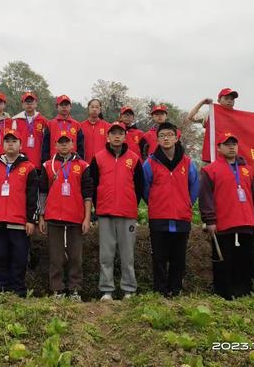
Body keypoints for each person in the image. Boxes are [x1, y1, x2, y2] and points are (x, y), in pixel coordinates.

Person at [199, 133, 254, 299]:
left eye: (233, 144)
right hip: (223, 224)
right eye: (226, 144)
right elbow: (205, 197)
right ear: (219, 147)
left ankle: (244, 291)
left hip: (246, 223)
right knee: (224, 260)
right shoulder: (210, 170)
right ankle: (224, 293)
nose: (231, 147)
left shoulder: (247, 170)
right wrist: (210, 220)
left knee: (244, 259)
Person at [143, 122, 199, 297]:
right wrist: (155, 203)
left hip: (181, 217)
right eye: (162, 135)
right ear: (157, 139)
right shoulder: (150, 163)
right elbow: (145, 188)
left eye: (169, 135)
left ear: (176, 137)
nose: (166, 138)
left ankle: (176, 289)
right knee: (159, 257)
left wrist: (185, 203)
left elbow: (195, 186)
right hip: (159, 217)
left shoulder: (188, 163)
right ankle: (160, 290)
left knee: (178, 257)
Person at [89, 122, 144, 301]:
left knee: (127, 255)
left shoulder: (134, 159)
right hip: (105, 213)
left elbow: (140, 186)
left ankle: (129, 289)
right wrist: (98, 207)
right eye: (113, 133)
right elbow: (93, 184)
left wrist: (130, 204)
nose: (117, 136)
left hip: (127, 214)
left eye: (120, 133)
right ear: (108, 136)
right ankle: (107, 290)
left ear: (125, 136)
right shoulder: (98, 158)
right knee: (106, 254)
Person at [0, 129, 38, 297]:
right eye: (7, 141)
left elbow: (32, 197)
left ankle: (18, 292)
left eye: (14, 141)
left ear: (20, 145)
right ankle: (1, 291)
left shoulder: (29, 168)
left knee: (19, 259)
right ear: (3, 144)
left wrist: (31, 220)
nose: (10, 144)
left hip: (19, 222)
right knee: (0, 257)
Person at [38, 131, 92, 300]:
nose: (63, 145)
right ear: (55, 145)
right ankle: (57, 289)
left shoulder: (83, 166)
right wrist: (41, 216)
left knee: (76, 256)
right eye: (60, 142)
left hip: (76, 217)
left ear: (72, 144)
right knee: (56, 256)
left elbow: (87, 194)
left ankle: (75, 289)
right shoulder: (48, 165)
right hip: (53, 216)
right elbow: (42, 193)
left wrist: (87, 218)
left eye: (66, 142)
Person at [187, 88, 238, 163]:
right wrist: (202, 103)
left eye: (232, 99)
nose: (229, 101)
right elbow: (191, 117)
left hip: (233, 157)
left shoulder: (237, 117)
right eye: (226, 98)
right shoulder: (211, 113)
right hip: (215, 155)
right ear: (219, 100)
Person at [11, 92, 48, 171]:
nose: (29, 104)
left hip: (37, 162)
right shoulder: (16, 120)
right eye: (27, 102)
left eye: (31, 102)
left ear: (36, 104)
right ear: (23, 104)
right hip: (19, 162)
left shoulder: (43, 121)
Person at [41, 95, 84, 162]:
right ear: (57, 107)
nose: (64, 107)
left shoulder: (77, 125)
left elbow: (80, 148)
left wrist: (79, 162)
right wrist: (45, 163)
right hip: (54, 162)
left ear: (70, 107)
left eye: (66, 105)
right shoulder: (50, 124)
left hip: (73, 162)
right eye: (61, 104)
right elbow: (45, 147)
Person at [80, 99, 110, 163]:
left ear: (100, 109)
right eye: (92, 107)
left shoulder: (107, 126)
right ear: (88, 108)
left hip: (103, 162)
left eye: (97, 107)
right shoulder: (80, 126)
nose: (94, 109)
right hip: (85, 163)